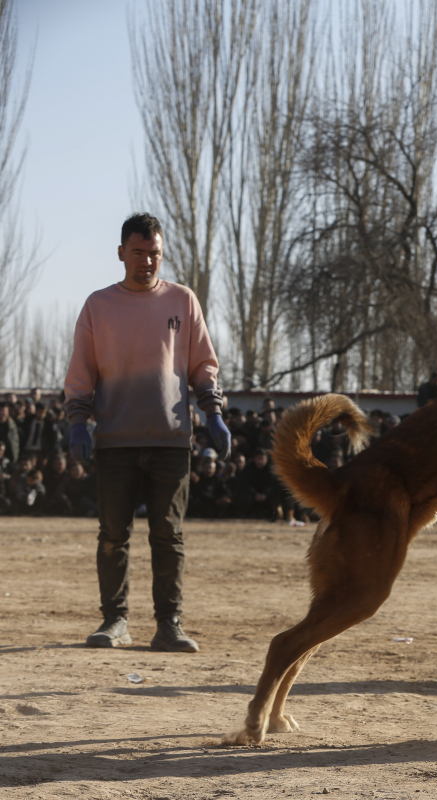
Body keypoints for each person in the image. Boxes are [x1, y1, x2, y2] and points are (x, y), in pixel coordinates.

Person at [64, 213, 229, 653]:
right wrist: (77, 420)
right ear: (121, 253)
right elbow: (81, 372)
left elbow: (203, 365)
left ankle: (168, 623)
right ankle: (114, 621)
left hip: (171, 439)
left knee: (168, 535)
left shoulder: (183, 300)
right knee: (113, 534)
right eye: (138, 252)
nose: (147, 261)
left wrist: (213, 411)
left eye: (154, 252)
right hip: (115, 439)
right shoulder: (98, 306)